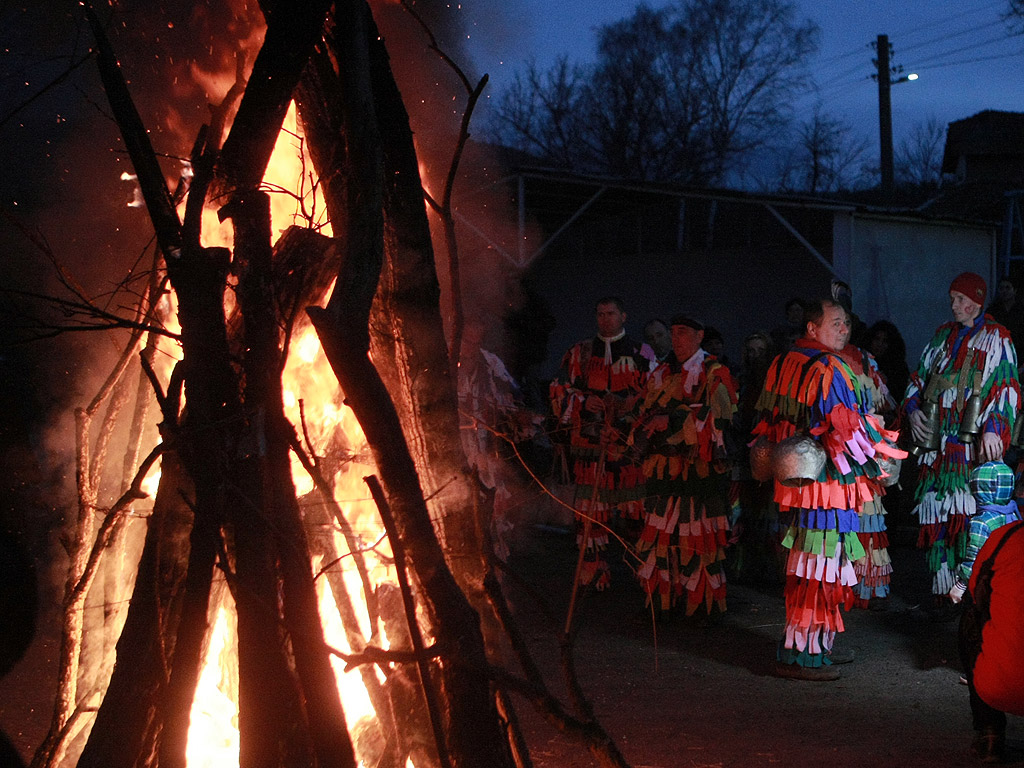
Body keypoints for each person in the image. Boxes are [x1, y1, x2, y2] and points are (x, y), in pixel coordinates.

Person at [752, 299, 904, 681]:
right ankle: (803, 656)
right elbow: (846, 429)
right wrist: (881, 448)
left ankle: (813, 646)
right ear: (812, 329)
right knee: (823, 568)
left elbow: (771, 421)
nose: (844, 330)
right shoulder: (829, 367)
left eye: (846, 324)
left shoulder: (783, 363)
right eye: (835, 323)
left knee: (809, 567)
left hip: (795, 484)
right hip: (828, 488)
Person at [903, 272, 1020, 606]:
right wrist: (913, 410)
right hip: (937, 449)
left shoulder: (998, 338)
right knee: (938, 515)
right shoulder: (942, 337)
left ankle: (975, 593)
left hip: (971, 450)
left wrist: (995, 427)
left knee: (971, 519)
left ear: (978, 300)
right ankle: (944, 593)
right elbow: (918, 379)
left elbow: (1006, 386)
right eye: (952, 298)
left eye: (960, 299)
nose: (954, 305)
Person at [629, 314, 738, 617]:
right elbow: (644, 408)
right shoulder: (661, 372)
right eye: (673, 333)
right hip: (664, 471)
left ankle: (701, 606)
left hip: (698, 474)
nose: (676, 339)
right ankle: (663, 601)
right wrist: (632, 423)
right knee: (661, 538)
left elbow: (722, 421)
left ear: (700, 336)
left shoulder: (716, 373)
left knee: (699, 538)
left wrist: (674, 419)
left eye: (683, 333)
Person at [550, 296, 656, 589]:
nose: (605, 319)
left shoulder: (641, 352)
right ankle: (594, 572)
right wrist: (584, 402)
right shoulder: (580, 353)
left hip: (627, 447)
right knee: (590, 513)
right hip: (590, 447)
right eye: (600, 314)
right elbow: (559, 389)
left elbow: (655, 395)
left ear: (624, 315)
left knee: (637, 513)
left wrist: (625, 410)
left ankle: (643, 573)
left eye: (610, 313)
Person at [837, 329, 899, 610]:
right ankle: (850, 584)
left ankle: (862, 584)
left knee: (866, 515)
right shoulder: (832, 362)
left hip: (865, 445)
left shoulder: (866, 362)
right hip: (842, 447)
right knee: (850, 516)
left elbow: (886, 404)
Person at [957, 518, 1024, 762]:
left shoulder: (1004, 537)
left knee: (971, 621)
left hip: (1002, 685)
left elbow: (976, 593)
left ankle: (990, 735)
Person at [865, 320, 910, 409]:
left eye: (885, 341)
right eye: (877, 339)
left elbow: (901, 396)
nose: (880, 344)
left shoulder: (899, 368)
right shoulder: (862, 360)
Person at [986, 276, 1024, 360]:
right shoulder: (992, 311)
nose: (1004, 291)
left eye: (1008, 288)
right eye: (1001, 288)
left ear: (1014, 290)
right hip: (998, 354)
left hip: (1019, 353)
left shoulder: (1021, 310)